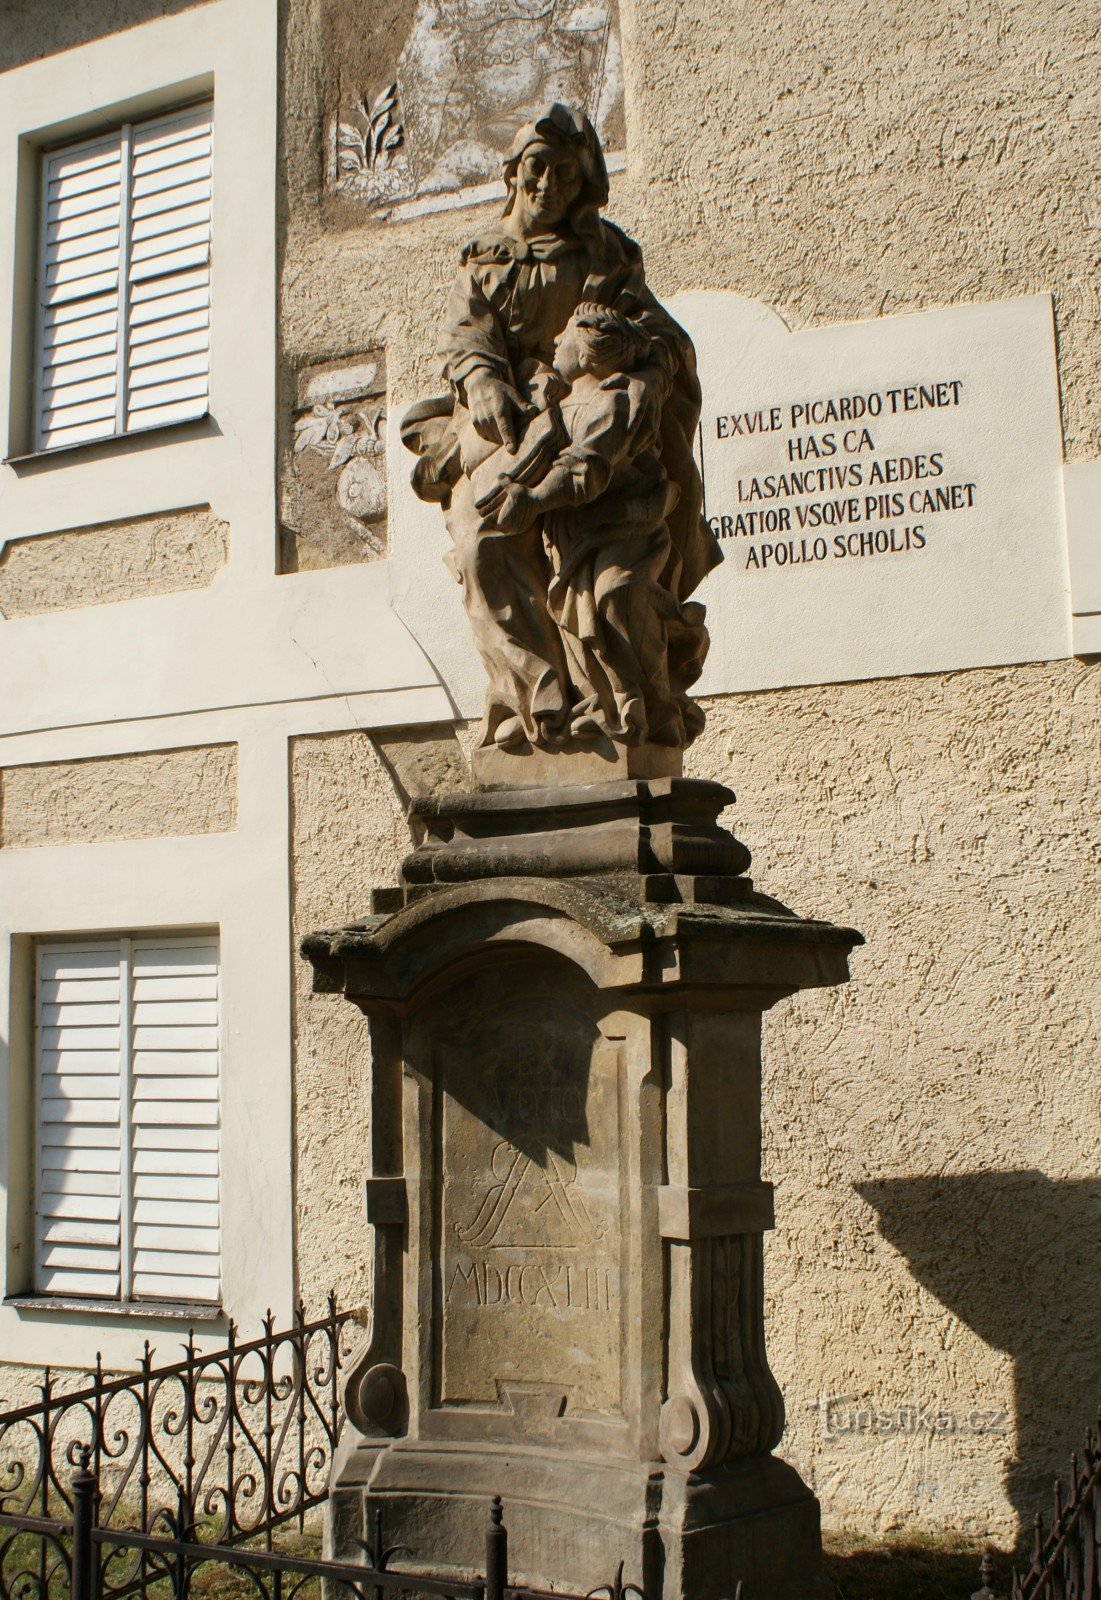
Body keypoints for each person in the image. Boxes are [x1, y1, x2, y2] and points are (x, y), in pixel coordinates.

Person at [402, 102, 720, 753]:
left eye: (566, 175)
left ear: (584, 184)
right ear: (514, 173)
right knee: (480, 540)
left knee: (599, 557)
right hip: (506, 423)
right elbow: (467, 337)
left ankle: (608, 703)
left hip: (586, 422)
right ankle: (533, 695)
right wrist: (484, 381)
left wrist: (642, 371)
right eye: (538, 169)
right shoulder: (486, 258)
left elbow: (656, 335)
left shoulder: (607, 253)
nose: (549, 186)